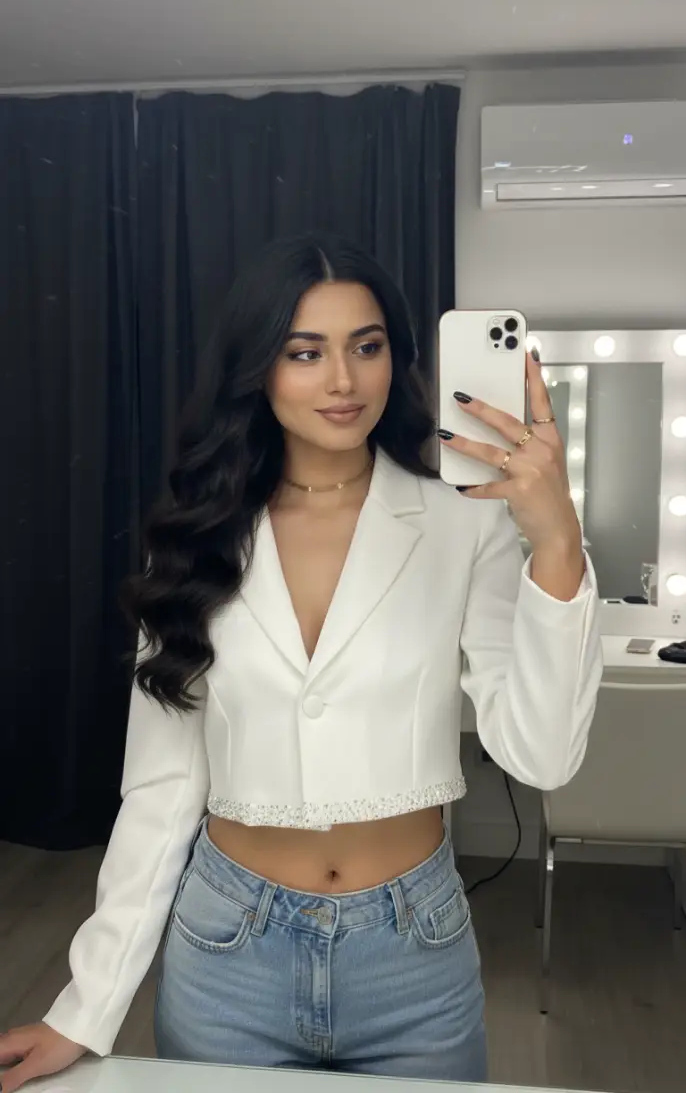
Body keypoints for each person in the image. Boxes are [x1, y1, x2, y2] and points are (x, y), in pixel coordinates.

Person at [0, 234, 602, 1093]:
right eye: (304, 352)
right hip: (227, 953)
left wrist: (557, 544)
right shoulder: (200, 539)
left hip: (415, 958)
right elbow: (163, 791)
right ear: (259, 367)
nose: (343, 381)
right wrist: (84, 1007)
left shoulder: (463, 525)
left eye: (367, 346)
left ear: (397, 355)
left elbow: (541, 754)